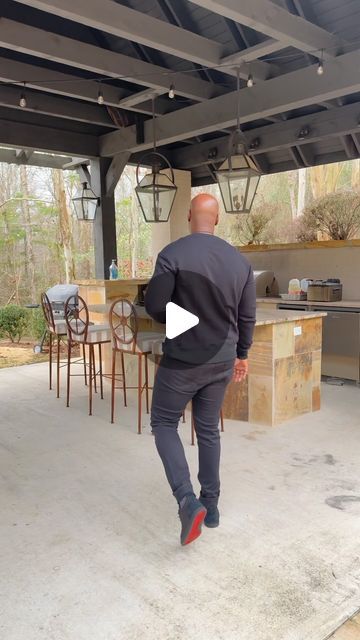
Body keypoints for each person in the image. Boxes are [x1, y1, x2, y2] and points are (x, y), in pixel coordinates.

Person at [145, 193, 256, 546]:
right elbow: (246, 316)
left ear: (190, 216)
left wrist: (186, 321)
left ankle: (186, 501)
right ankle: (212, 504)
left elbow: (154, 306)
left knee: (163, 423)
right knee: (208, 430)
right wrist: (242, 354)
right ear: (218, 219)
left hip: (183, 361)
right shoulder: (240, 263)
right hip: (222, 360)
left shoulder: (172, 254)